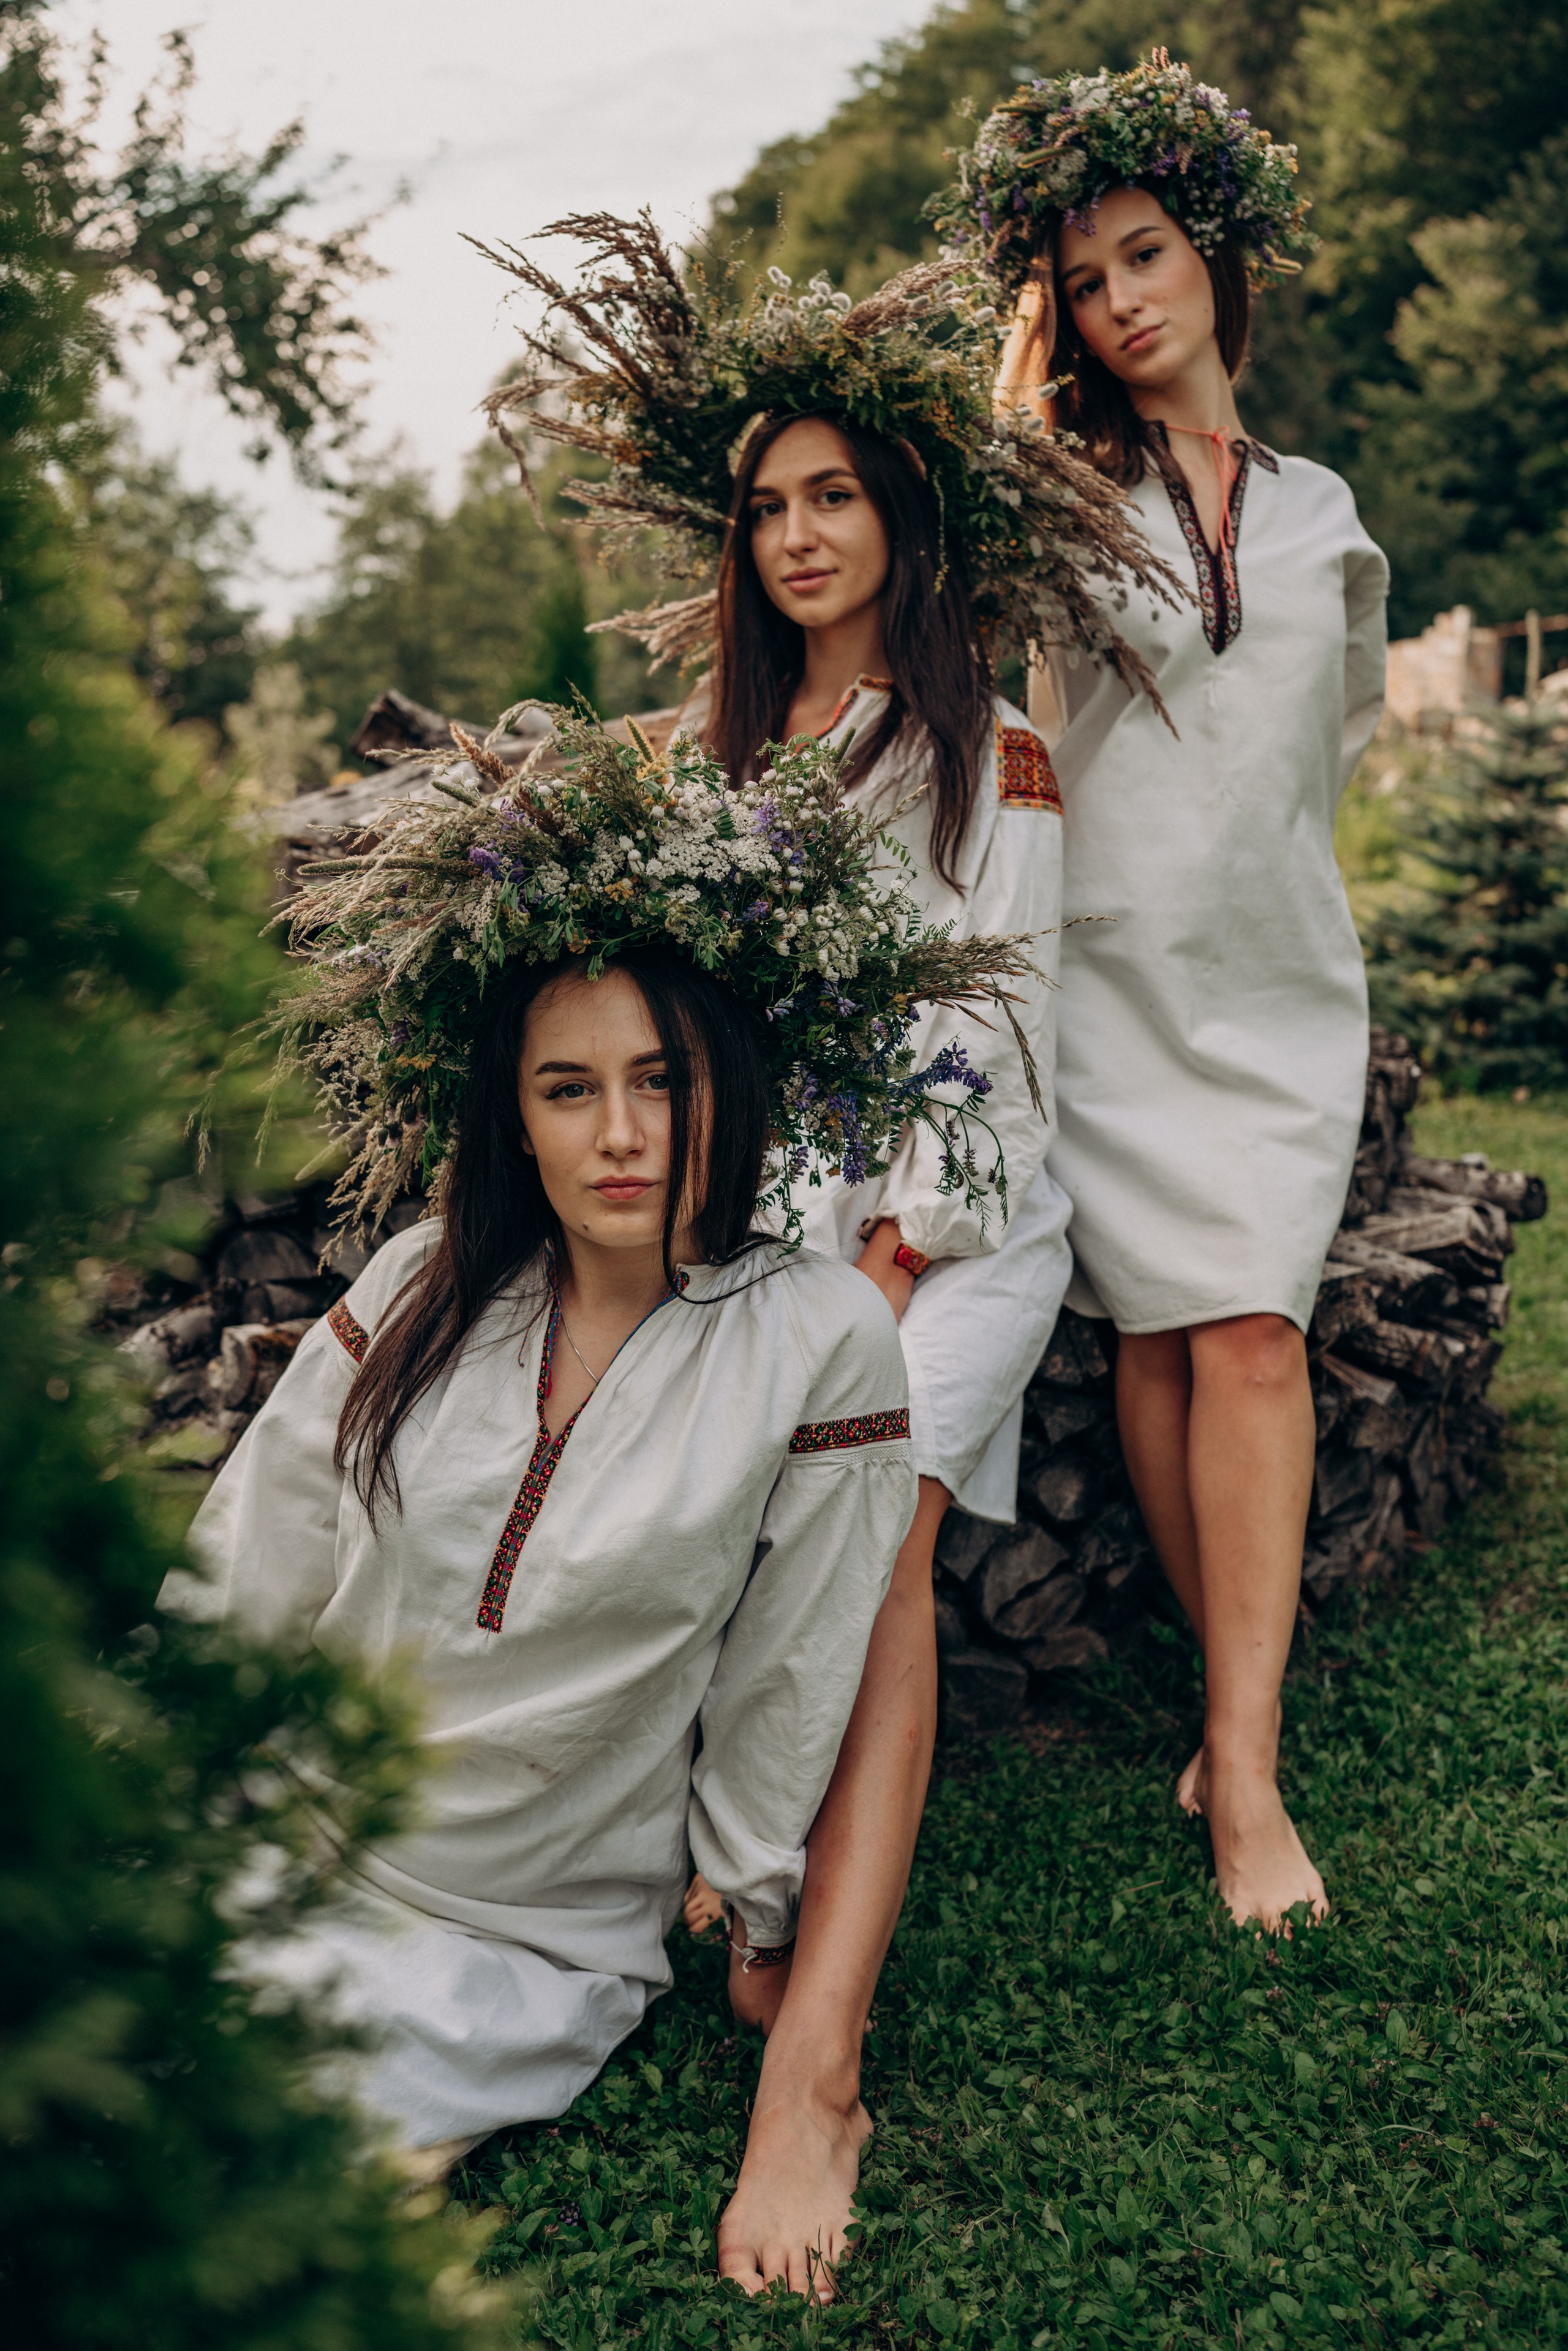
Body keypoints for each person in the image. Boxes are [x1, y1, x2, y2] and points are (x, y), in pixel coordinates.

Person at [477, 216, 1174, 2295]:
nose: (797, 533)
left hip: (947, 1234)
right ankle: (682, 1868)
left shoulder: (992, 760)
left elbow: (995, 1061)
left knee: (863, 1514)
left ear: (896, 515)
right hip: (759, 1227)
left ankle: (823, 2055)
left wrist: (872, 1272)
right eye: (766, 505)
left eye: (833, 494)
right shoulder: (710, 777)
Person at [159, 705, 1036, 2214]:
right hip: (288, 1829)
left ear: (731, 1086)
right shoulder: (423, 1281)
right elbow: (261, 1553)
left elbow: (791, 1668)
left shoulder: (817, 1337)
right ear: (514, 1112)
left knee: (265, 2185)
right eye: (569, 1088)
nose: (621, 1134)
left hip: (524, 1933)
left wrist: (763, 1919)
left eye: (663, 1080)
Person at [940, 53, 1389, 1934]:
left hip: (1280, 979)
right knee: (1162, 1338)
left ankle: (1241, 1740)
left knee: (1255, 1331)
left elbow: (1336, 728)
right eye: (1089, 280)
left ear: (1218, 258)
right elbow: (965, 602)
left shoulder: (1322, 510)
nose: (1127, 300)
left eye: (1149, 256)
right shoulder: (1052, 494)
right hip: (1108, 972)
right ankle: (1244, 1742)